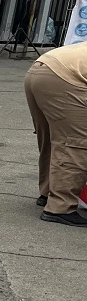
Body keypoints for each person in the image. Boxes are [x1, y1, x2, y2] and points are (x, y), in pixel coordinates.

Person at [24, 43, 87, 226]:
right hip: (66, 77)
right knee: (77, 142)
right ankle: (60, 207)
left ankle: (48, 192)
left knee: (52, 138)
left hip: (40, 69)